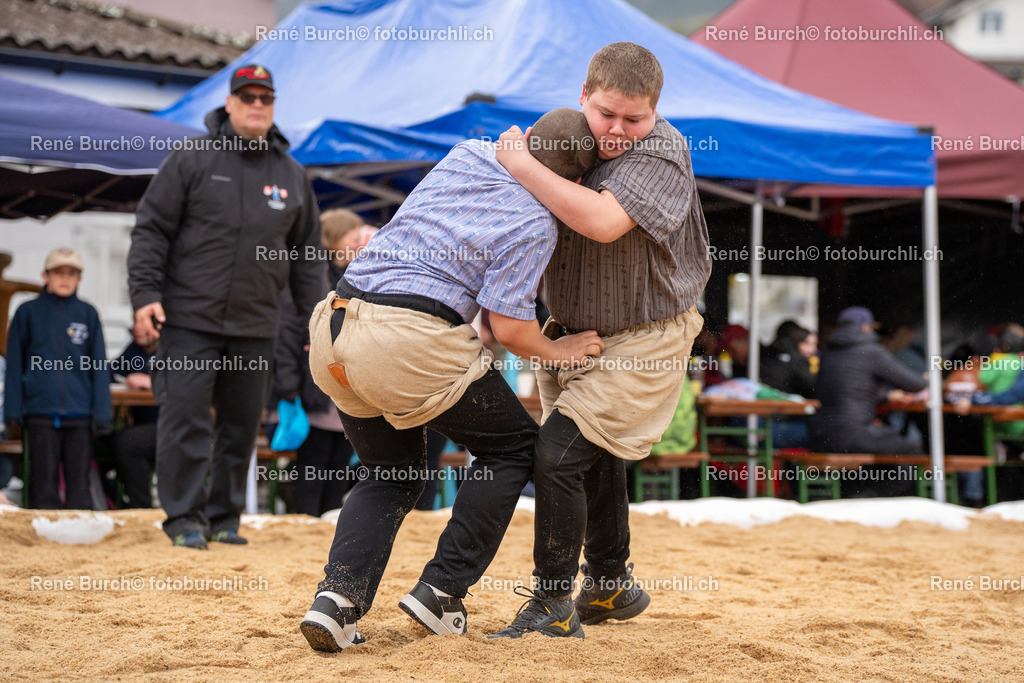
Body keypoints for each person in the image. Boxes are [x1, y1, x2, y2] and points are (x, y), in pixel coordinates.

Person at [299, 107, 602, 652]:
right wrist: (558, 349)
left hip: (333, 325)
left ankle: (336, 601)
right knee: (514, 448)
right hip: (406, 335)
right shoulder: (537, 220)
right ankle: (441, 590)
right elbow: (508, 327)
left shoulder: (468, 152)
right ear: (575, 182)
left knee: (390, 471)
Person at [490, 42, 710, 638]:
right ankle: (610, 585)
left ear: (655, 112)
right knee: (594, 454)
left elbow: (603, 221)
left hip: (646, 336)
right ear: (583, 96)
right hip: (573, 334)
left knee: (558, 454)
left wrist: (520, 163)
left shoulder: (663, 151)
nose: (617, 130)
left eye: (633, 119)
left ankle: (552, 605)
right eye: (606, 113)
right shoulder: (566, 139)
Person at [128, 64, 325, 549]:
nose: (257, 104)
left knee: (240, 427)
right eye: (247, 96)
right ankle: (184, 518)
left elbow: (307, 259)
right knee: (187, 420)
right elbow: (151, 230)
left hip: (256, 325)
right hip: (187, 319)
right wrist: (145, 296)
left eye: (265, 97)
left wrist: (316, 323)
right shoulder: (191, 158)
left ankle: (224, 518)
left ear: (273, 105)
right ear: (230, 103)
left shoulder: (292, 174)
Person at [269, 209, 374, 516]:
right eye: (352, 238)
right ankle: (306, 521)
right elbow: (287, 335)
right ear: (333, 238)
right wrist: (289, 390)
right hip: (311, 389)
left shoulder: (353, 276)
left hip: (343, 389)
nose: (357, 244)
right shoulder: (309, 277)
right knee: (313, 463)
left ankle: (328, 523)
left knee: (338, 462)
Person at [4, 248, 111, 509]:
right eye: (58, 272)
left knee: (79, 485)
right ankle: (45, 530)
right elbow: (15, 364)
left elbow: (99, 366)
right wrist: (12, 410)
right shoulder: (27, 313)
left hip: (79, 412)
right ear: (45, 275)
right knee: (43, 484)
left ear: (79, 278)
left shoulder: (88, 314)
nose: (65, 278)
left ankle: (80, 527)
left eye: (71, 273)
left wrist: (102, 413)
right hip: (40, 411)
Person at [809, 306, 928, 496]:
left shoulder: (827, 353)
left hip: (821, 434)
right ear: (865, 326)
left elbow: (843, 391)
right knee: (913, 455)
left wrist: (885, 397)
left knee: (882, 457)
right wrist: (927, 378)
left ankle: (860, 495)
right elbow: (915, 384)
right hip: (855, 433)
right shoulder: (871, 351)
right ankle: (874, 498)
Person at [109, 326, 159, 508]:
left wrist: (153, 382)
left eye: (142, 322)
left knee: (127, 443)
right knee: (98, 443)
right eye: (134, 322)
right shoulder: (135, 349)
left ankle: (142, 507)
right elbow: (110, 372)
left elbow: (190, 382)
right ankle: (110, 500)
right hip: (142, 425)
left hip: (174, 425)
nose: (136, 328)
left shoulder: (175, 347)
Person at [760, 320, 817, 449]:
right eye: (809, 344)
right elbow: (814, 388)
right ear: (798, 343)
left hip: (759, 422)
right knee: (821, 433)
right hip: (775, 425)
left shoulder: (766, 355)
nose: (814, 350)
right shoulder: (796, 360)